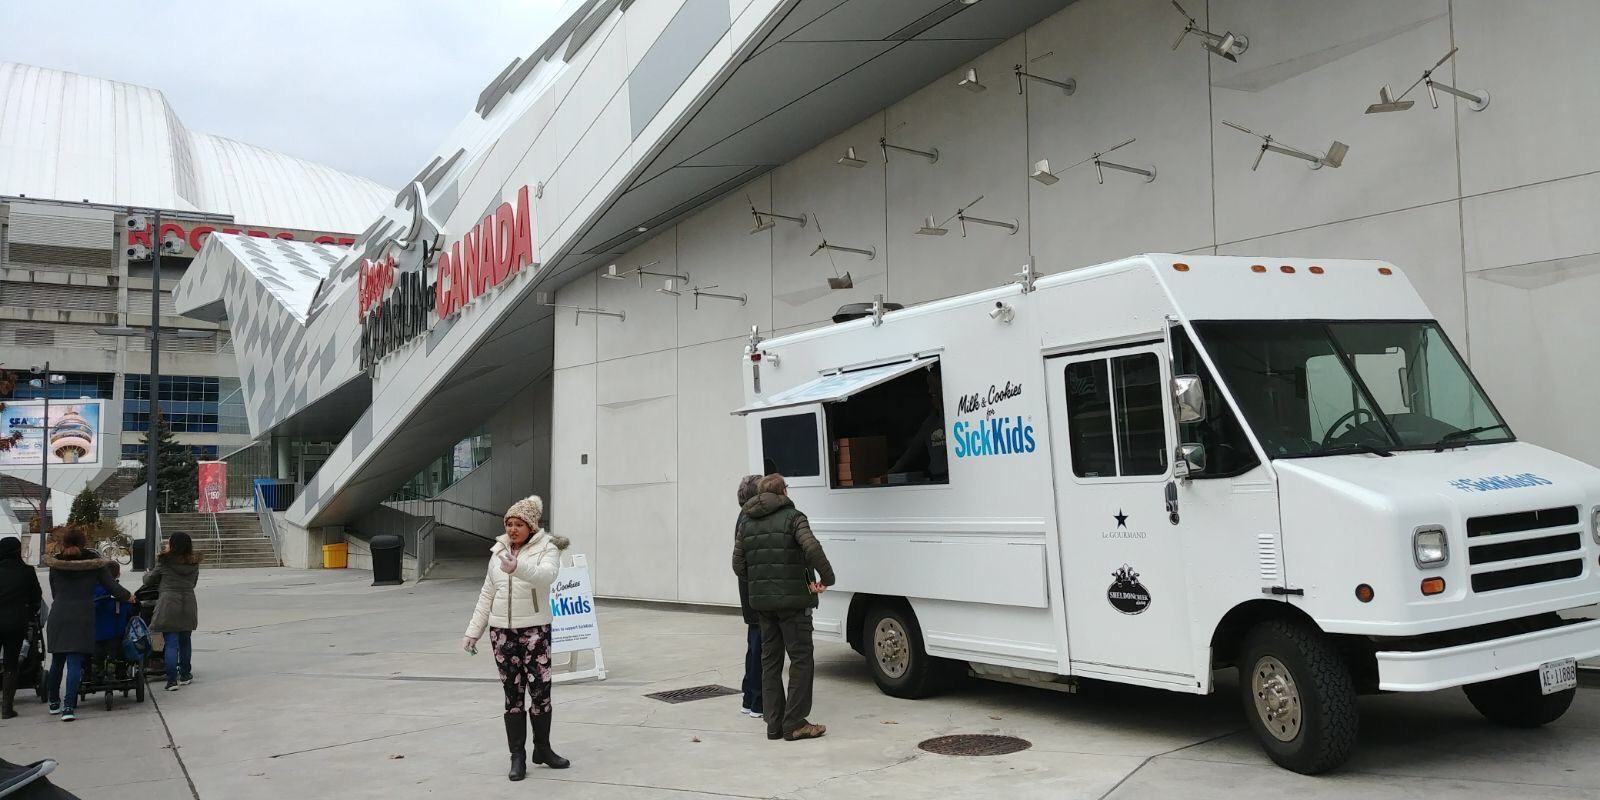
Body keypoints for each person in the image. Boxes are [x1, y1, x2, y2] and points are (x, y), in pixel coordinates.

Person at [463, 495, 571, 781]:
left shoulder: (547, 549)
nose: (512, 529)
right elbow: (487, 593)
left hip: (536, 631)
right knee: (513, 697)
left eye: (519, 524)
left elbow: (546, 577)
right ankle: (518, 756)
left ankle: (543, 749)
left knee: (540, 694)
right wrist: (474, 631)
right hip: (501, 634)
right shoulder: (497, 551)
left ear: (531, 527)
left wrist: (518, 567)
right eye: (509, 523)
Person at [732, 473, 835, 742]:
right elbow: (811, 547)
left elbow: (738, 566)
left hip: (763, 605)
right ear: (783, 492)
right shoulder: (793, 517)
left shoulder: (747, 522)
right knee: (801, 659)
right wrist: (826, 579)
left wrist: (759, 581)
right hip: (794, 603)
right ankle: (796, 723)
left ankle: (774, 724)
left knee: (770, 661)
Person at [43, 526, 133, 722]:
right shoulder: (95, 565)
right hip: (83, 614)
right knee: (75, 662)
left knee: (57, 661)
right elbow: (113, 588)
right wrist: (128, 597)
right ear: (84, 543)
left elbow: (54, 592)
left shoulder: (55, 565)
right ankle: (68, 707)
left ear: (64, 543)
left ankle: (53, 703)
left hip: (59, 613)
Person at [143, 532, 202, 692]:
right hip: (188, 602)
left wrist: (147, 573)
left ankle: (171, 680)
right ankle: (185, 674)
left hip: (168, 602)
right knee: (185, 641)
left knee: (170, 642)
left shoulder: (165, 561)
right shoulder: (194, 562)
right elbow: (194, 582)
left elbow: (149, 580)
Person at [0, 536, 42, 719]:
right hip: (15, 622)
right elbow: (36, 597)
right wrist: (29, 612)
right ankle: (7, 707)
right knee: (11, 664)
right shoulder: (27, 571)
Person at [733, 474, 763, 719]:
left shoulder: (743, 517)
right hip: (756, 592)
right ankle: (757, 699)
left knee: (754, 644)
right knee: (760, 646)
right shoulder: (750, 520)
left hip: (749, 591)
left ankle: (749, 697)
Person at [889, 369, 947, 481]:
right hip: (936, 478)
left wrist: (941, 410)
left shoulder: (951, 419)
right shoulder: (930, 422)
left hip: (950, 477)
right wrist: (893, 471)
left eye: (933, 388)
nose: (930, 391)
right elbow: (913, 449)